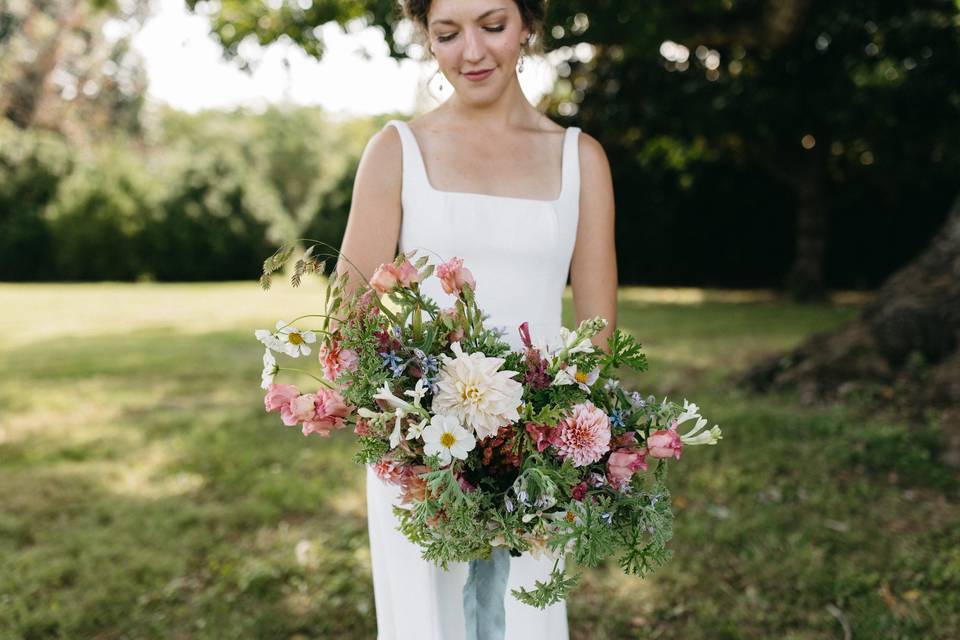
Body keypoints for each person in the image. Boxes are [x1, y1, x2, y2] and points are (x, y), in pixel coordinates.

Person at [335, 0, 617, 637]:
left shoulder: (580, 159)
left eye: (492, 26)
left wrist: (554, 440)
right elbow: (346, 316)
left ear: (528, 26)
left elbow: (599, 337)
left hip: (539, 458)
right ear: (426, 39)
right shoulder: (396, 150)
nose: (471, 52)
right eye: (447, 33)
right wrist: (409, 424)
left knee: (525, 623)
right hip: (421, 455)